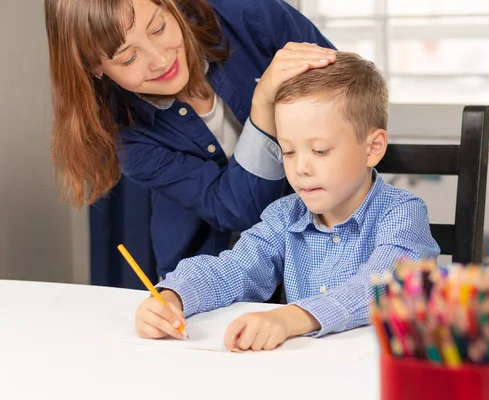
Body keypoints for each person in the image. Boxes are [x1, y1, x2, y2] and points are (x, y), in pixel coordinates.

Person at [134, 52, 441, 351]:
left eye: (320, 151)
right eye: (288, 152)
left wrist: (290, 318)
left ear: (373, 148)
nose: (300, 168)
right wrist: (174, 296)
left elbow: (383, 289)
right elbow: (234, 269)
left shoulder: (401, 213)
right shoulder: (284, 215)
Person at [44, 0, 336, 279]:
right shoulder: (130, 139)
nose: (160, 60)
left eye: (158, 28)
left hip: (323, 250)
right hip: (212, 271)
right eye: (129, 57)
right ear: (94, 67)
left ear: (169, 5)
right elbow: (239, 211)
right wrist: (263, 107)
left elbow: (350, 99)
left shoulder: (249, 13)